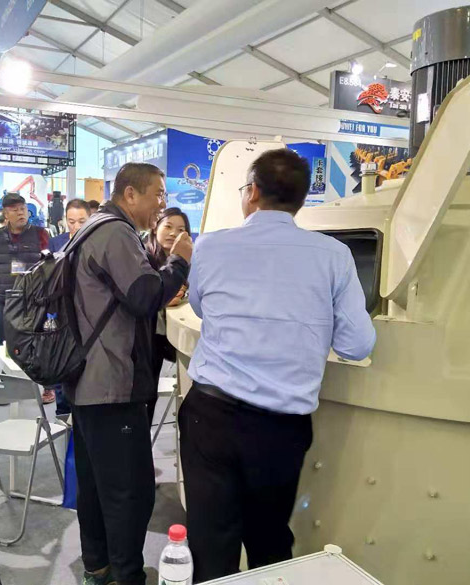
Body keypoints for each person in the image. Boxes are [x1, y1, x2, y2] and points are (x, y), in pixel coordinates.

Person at [179, 149, 376, 583]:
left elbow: (200, 307)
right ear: (302, 199)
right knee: (269, 541)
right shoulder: (334, 255)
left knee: (210, 543)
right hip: (280, 428)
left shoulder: (211, 245)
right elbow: (357, 344)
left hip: (211, 417)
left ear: (251, 192)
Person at [69, 163, 191, 585]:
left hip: (88, 380)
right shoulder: (115, 232)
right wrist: (180, 263)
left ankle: (98, 567)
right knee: (128, 492)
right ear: (130, 194)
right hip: (110, 384)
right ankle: (126, 576)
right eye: (158, 194)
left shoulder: (93, 228)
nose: (161, 203)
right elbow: (143, 295)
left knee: (96, 486)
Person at [0, 192, 53, 402]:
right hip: (5, 297)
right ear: (6, 214)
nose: (21, 213)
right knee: (6, 343)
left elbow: (51, 265)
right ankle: (6, 387)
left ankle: (47, 386)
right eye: (15, 210)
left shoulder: (41, 234)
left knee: (39, 341)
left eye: (23, 209)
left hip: (34, 298)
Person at [144, 208, 191, 424]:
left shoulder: (185, 261)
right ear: (156, 227)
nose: (173, 233)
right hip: (147, 341)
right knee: (146, 397)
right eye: (168, 227)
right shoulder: (144, 257)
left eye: (181, 230)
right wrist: (163, 299)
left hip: (169, 338)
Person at [47, 198, 92, 416]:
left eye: (81, 221)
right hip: (61, 311)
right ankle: (62, 415)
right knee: (62, 364)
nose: (76, 226)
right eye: (71, 221)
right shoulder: (56, 243)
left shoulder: (96, 242)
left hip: (89, 313)